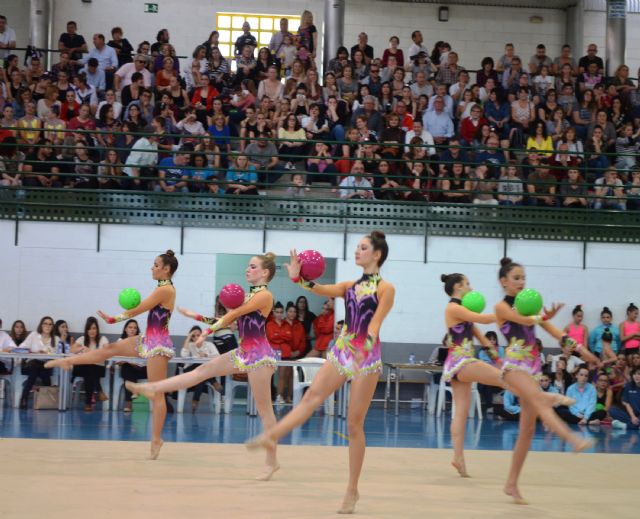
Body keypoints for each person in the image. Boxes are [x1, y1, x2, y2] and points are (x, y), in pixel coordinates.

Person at [247, 232, 395, 515]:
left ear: (377, 254)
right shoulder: (349, 286)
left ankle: (352, 489)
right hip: (342, 349)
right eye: (357, 247)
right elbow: (318, 289)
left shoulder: (386, 288)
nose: (357, 251)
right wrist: (296, 277)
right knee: (312, 396)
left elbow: (375, 323)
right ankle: (273, 434)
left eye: (363, 248)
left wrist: (363, 349)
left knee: (353, 425)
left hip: (366, 356)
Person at [127, 254, 280, 480]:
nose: (248, 269)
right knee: (200, 372)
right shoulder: (250, 296)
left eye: (253, 266)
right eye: (248, 266)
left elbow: (234, 314)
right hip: (243, 351)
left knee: (264, 410)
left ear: (264, 273)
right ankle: (155, 387)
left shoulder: (265, 296)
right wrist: (196, 316)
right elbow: (230, 319)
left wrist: (205, 334)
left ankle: (272, 462)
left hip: (259, 356)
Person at [45, 250, 179, 460]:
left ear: (166, 269)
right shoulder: (161, 288)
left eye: (155, 264)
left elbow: (138, 309)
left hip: (158, 344)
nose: (151, 268)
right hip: (147, 338)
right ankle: (68, 360)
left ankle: (156, 439)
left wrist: (113, 319)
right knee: (109, 350)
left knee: (156, 392)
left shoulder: (167, 289)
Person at [494, 257, 600, 504]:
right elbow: (520, 320)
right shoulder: (501, 307)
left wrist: (583, 352)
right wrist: (541, 317)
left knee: (527, 431)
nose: (522, 282)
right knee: (540, 400)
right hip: (513, 367)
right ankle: (572, 439)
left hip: (532, 369)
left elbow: (558, 334)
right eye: (516, 278)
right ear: (504, 282)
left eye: (524, 278)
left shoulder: (533, 312)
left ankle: (511, 484)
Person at [440, 273, 505, 477]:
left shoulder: (464, 311)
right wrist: (508, 314)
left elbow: (482, 338)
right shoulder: (453, 308)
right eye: (468, 283)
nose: (471, 286)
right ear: (458, 287)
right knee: (506, 380)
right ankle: (538, 402)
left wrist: (498, 359)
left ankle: (458, 459)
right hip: (462, 362)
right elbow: (483, 319)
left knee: (461, 412)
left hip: (459, 364)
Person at [70, 317, 109, 411]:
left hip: (98, 367)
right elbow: (71, 349)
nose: (92, 331)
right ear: (86, 330)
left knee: (90, 369)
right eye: (89, 328)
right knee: (88, 367)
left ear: (97, 329)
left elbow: (107, 351)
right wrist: (81, 348)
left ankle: (88, 403)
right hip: (81, 367)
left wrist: (90, 352)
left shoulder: (102, 339)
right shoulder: (82, 339)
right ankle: (99, 391)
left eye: (94, 328)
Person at [180, 326, 222, 412]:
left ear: (202, 336)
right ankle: (214, 382)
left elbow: (218, 356)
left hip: (204, 371)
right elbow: (183, 356)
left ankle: (195, 400)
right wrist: (188, 338)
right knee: (200, 367)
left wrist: (206, 356)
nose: (196, 337)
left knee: (201, 376)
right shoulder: (190, 345)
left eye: (198, 335)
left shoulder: (209, 345)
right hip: (191, 370)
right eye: (193, 336)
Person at [19, 316, 57, 409]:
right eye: (45, 323)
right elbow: (22, 347)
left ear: (52, 326)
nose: (47, 326)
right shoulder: (34, 335)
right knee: (35, 368)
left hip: (46, 364)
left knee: (41, 371)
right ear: (41, 325)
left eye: (50, 324)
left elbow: (58, 353)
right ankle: (46, 401)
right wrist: (34, 352)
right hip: (32, 363)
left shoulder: (55, 339)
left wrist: (48, 353)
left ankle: (24, 399)